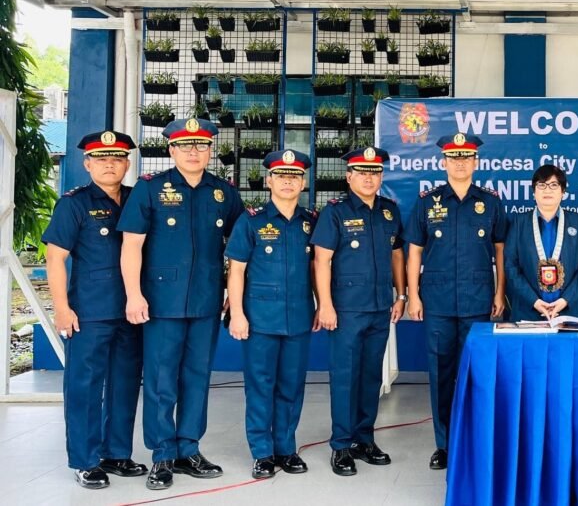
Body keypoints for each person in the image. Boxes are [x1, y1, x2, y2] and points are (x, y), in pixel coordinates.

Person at [118, 118, 244, 490]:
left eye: (201, 146)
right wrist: (133, 294)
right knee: (160, 380)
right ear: (171, 150)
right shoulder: (151, 190)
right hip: (160, 301)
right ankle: (161, 455)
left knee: (196, 378)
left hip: (206, 300)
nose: (194, 152)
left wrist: (234, 296)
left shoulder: (223, 193)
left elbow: (240, 247)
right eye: (185, 146)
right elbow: (131, 247)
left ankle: (189, 448)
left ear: (210, 151)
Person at [42, 131, 146, 489]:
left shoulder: (137, 199)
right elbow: (55, 258)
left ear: (127, 164)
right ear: (87, 164)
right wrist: (61, 307)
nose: (109, 164)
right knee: (85, 387)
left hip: (132, 312)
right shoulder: (73, 203)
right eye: (100, 158)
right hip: (89, 312)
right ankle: (85, 459)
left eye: (117, 158)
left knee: (125, 384)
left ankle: (117, 453)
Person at [405, 133, 507, 470]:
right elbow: (414, 251)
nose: (460, 163)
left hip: (478, 300)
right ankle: (445, 444)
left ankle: (476, 440)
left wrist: (499, 291)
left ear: (476, 162)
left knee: (478, 373)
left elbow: (500, 252)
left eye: (466, 158)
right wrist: (413, 294)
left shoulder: (491, 202)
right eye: (454, 158)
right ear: (443, 163)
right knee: (441, 373)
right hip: (436, 301)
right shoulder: (427, 202)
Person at [311, 146, 406, 476]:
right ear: (348, 176)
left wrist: (402, 295)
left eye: (375, 172)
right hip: (346, 310)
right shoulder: (334, 212)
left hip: (381, 307)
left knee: (370, 377)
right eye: (362, 172)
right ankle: (341, 445)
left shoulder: (390, 211)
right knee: (344, 378)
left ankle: (364, 439)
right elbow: (321, 260)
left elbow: (397, 256)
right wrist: (325, 304)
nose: (369, 177)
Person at [225, 150, 317, 480]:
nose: (288, 182)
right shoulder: (251, 221)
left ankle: (286, 449)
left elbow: (317, 268)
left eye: (294, 176)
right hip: (260, 319)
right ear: (268, 181)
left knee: (292, 386)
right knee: (260, 386)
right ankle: (262, 453)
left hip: (298, 318)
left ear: (303, 182)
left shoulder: (311, 222)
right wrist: (237, 313)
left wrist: (321, 304)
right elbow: (236, 271)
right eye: (281, 176)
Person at [505, 164, 578, 322]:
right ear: (533, 192)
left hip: (571, 310)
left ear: (563, 192)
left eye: (554, 185)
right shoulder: (520, 223)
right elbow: (510, 265)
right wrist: (534, 301)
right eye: (541, 185)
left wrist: (565, 300)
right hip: (529, 311)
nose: (547, 190)